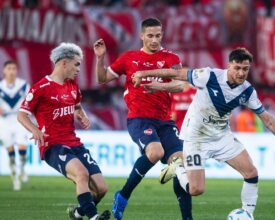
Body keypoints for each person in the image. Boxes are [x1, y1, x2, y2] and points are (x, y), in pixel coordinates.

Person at [132, 47, 275, 216]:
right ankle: (178, 168)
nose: (241, 73)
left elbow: (267, 119)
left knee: (251, 172)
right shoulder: (209, 76)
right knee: (196, 189)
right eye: (237, 68)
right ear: (229, 66)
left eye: (245, 69)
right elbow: (177, 74)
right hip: (196, 138)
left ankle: (247, 214)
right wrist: (144, 74)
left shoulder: (247, 91)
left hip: (221, 137)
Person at [93, 17, 192, 220]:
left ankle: (187, 218)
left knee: (180, 164)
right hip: (139, 119)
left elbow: (179, 85)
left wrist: (156, 86)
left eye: (158, 35)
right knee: (155, 152)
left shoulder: (171, 58)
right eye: (150, 36)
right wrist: (100, 58)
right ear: (142, 36)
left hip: (165, 121)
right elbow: (102, 79)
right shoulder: (129, 58)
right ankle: (124, 195)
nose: (154, 40)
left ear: (162, 35)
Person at [17, 42, 110, 220]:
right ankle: (92, 217)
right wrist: (35, 129)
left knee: (101, 188)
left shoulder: (72, 85)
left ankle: (77, 213)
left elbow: (77, 106)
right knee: (81, 174)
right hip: (53, 145)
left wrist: (81, 115)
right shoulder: (41, 88)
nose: (78, 69)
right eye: (76, 64)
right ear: (63, 63)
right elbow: (21, 115)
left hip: (74, 142)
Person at [0, 60, 30, 191]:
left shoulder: (23, 85)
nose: (11, 71)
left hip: (19, 120)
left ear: (16, 71)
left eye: (13, 68)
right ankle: (15, 179)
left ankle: (22, 168)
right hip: (4, 121)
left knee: (22, 150)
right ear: (4, 71)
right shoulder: (0, 86)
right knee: (10, 153)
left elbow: (31, 101)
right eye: (9, 69)